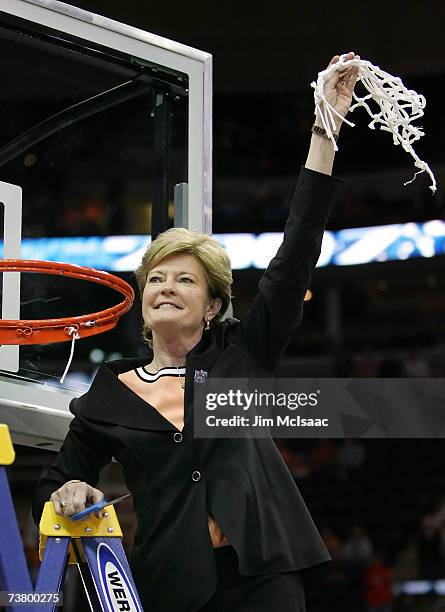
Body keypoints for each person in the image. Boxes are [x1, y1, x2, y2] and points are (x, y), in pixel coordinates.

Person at [32, 52, 360, 611]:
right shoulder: (109, 391)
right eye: (156, 277)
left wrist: (324, 129)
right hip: (170, 585)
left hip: (263, 576)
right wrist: (69, 491)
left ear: (212, 307)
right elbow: (58, 481)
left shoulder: (243, 354)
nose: (166, 286)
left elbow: (293, 261)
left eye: (185, 279)